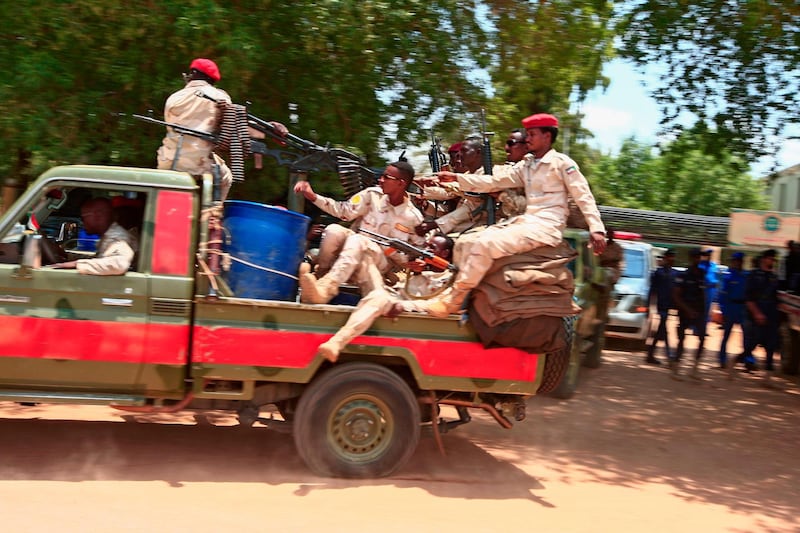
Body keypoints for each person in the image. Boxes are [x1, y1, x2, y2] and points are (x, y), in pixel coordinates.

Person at [421, 113, 606, 318]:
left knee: (484, 245)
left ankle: (454, 301)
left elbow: (584, 196)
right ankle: (458, 295)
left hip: (547, 226)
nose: (528, 139)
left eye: (532, 134)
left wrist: (596, 229)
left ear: (547, 136)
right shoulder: (527, 165)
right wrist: (455, 178)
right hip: (526, 222)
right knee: (465, 242)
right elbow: (493, 182)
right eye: (527, 134)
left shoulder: (562, 163)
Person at [293, 160, 425, 304]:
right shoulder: (372, 195)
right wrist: (313, 196)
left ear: (401, 183)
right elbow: (344, 211)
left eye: (386, 177)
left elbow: (420, 251)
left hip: (380, 262)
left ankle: (326, 289)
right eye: (382, 176)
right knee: (333, 230)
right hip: (352, 249)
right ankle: (320, 277)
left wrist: (417, 263)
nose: (380, 180)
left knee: (359, 240)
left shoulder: (413, 217)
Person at [156, 58, 288, 199]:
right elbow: (236, 126)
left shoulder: (174, 97)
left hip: (167, 161)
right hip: (197, 164)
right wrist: (267, 129)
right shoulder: (218, 96)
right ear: (211, 80)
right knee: (226, 177)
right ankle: (213, 214)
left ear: (192, 75)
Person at [315, 233, 454, 362]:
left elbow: (435, 304)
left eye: (432, 247)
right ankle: (325, 287)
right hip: (385, 292)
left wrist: (404, 306)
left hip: (397, 308)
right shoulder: (419, 267)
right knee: (360, 243)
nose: (427, 249)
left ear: (445, 253)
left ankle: (338, 341)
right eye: (427, 245)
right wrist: (418, 271)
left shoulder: (448, 281)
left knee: (379, 297)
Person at [47, 197, 138, 275]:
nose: (82, 222)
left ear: (98, 216)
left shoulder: (118, 238)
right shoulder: (108, 237)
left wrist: (76, 264)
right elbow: (98, 259)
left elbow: (119, 264)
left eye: (83, 217)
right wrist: (67, 256)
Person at [743, 249, 782, 387]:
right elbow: (748, 298)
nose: (772, 262)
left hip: (771, 314)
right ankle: (738, 358)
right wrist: (757, 313)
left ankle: (768, 378)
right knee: (754, 342)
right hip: (757, 312)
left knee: (771, 344)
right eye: (770, 259)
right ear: (764, 259)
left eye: (773, 260)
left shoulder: (774, 277)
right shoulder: (754, 275)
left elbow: (777, 297)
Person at [671, 247, 707, 380]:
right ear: (691, 258)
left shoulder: (702, 274)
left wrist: (703, 312)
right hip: (685, 311)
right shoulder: (683, 275)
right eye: (696, 257)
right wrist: (688, 310)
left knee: (702, 338)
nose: (698, 259)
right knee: (681, 339)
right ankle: (676, 368)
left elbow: (702, 294)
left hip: (698, 312)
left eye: (700, 257)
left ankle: (695, 369)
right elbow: (676, 296)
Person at [646, 249, 677, 365]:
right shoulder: (658, 273)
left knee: (661, 330)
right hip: (661, 306)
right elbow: (652, 291)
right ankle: (669, 356)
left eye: (673, 257)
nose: (672, 259)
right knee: (663, 329)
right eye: (670, 257)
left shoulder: (675, 273)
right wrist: (649, 306)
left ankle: (651, 354)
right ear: (666, 258)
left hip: (668, 305)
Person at [718, 252, 748, 371]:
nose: (736, 263)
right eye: (734, 261)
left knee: (747, 336)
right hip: (731, 307)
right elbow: (722, 296)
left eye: (738, 261)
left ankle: (747, 360)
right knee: (726, 336)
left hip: (742, 308)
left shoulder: (745, 276)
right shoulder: (728, 276)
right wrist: (723, 311)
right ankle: (722, 360)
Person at [699, 248, 720, 326]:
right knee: (702, 308)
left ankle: (704, 327)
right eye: (708, 255)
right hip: (704, 288)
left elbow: (715, 276)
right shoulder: (701, 264)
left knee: (708, 309)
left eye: (710, 255)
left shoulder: (713, 265)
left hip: (711, 289)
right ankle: (698, 327)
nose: (709, 256)